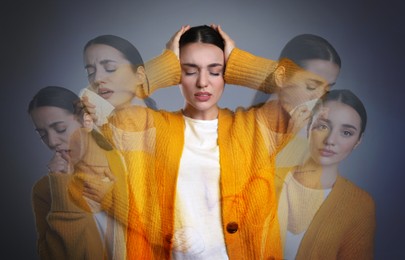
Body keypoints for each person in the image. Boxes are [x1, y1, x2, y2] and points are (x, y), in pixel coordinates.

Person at [80, 25, 320, 259]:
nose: (203, 82)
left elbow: (306, 87)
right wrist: (166, 63)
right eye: (189, 70)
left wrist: (237, 61)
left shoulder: (256, 127)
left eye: (215, 71)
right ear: (177, 75)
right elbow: (93, 101)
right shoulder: (147, 127)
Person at [29, 86, 128, 260]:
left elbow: (169, 232)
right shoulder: (46, 190)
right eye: (42, 134)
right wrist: (62, 193)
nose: (52, 142)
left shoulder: (126, 162)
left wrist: (113, 202)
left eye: (60, 129)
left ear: (86, 121)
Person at [275, 89, 376, 259]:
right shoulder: (265, 179)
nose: (330, 140)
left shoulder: (360, 205)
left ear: (358, 140)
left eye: (346, 133)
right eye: (322, 126)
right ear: (308, 127)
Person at [224, 33, 341, 167]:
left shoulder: (314, 142)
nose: (319, 98)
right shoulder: (234, 130)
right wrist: (236, 61)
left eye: (327, 90)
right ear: (281, 76)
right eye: (311, 86)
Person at [81, 34, 181, 126]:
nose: (97, 79)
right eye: (90, 72)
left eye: (110, 68)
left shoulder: (173, 126)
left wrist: (169, 62)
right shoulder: (93, 131)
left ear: (139, 74)